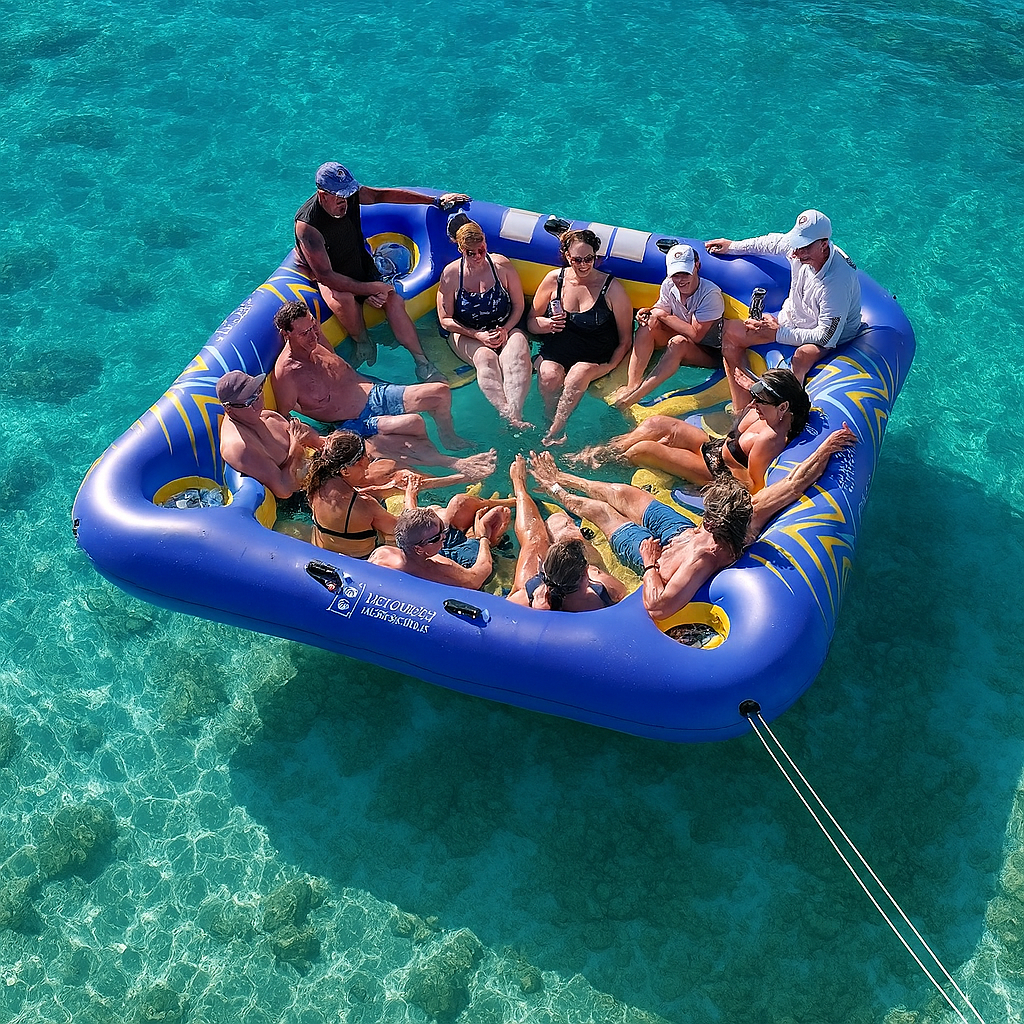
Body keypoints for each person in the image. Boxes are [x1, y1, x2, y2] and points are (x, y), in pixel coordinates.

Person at [529, 423, 857, 621]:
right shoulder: (746, 516)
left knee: (605, 513)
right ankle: (565, 477)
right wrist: (827, 447)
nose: (704, 512)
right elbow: (793, 484)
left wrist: (649, 565)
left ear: (714, 522)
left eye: (707, 512)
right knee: (624, 492)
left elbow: (658, 607)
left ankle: (556, 489)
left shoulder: (702, 560)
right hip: (679, 533)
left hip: (654, 556)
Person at [270, 300, 497, 482]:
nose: (313, 335)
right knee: (408, 428)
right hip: (353, 421)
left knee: (439, 392)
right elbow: (285, 418)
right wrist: (322, 441)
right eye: (304, 333)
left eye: (313, 326)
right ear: (286, 334)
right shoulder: (288, 374)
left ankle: (448, 437)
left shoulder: (316, 340)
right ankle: (454, 464)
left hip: (374, 393)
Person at [293, 161, 470, 381]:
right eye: (340, 198)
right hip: (332, 277)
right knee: (344, 298)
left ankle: (422, 362)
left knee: (393, 300)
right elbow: (325, 276)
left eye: (349, 195)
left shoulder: (350, 196)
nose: (346, 203)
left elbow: (380, 196)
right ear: (322, 195)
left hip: (359, 263)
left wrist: (434, 200)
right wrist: (370, 289)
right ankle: (363, 341)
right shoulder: (308, 226)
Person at [705, 209, 862, 409]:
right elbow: (770, 242)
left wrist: (778, 334)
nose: (795, 253)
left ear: (823, 245)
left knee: (800, 358)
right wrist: (732, 246)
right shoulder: (801, 246)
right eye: (796, 245)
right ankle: (741, 407)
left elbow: (826, 337)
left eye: (802, 248)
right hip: (791, 319)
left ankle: (790, 412)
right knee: (730, 333)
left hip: (829, 337)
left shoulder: (837, 283)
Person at [571, 367, 810, 493]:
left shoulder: (771, 438)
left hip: (717, 471)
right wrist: (752, 387)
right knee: (657, 423)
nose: (752, 404)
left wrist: (709, 488)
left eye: (759, 401)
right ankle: (603, 453)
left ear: (783, 407)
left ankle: (606, 464)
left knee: (643, 450)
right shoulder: (772, 412)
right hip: (715, 446)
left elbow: (753, 486)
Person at [306, 430, 512, 560]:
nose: (368, 464)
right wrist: (410, 496)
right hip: (369, 560)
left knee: (404, 484)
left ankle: (464, 477)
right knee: (458, 505)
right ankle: (489, 531)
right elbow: (409, 532)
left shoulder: (317, 485)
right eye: (363, 460)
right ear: (345, 470)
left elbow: (361, 497)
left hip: (333, 553)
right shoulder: (364, 505)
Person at [527, 228, 634, 447]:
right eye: (577, 259)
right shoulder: (554, 281)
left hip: (595, 355)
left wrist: (612, 364)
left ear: (596, 257)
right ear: (567, 256)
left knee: (578, 374)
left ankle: (557, 429)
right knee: (548, 376)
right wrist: (545, 324)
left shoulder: (611, 289)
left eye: (589, 259)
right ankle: (548, 418)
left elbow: (625, 338)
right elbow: (531, 321)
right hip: (558, 349)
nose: (583, 265)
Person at [436, 220, 534, 430]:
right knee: (486, 358)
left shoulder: (501, 266)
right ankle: (504, 412)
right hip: (467, 332)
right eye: (471, 253)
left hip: (504, 325)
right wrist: (476, 335)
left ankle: (515, 414)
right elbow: (445, 320)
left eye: (481, 250)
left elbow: (518, 305)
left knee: (517, 355)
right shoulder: (451, 274)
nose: (478, 256)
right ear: (461, 249)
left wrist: (506, 328)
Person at [609, 244, 725, 409]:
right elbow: (660, 309)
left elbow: (696, 335)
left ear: (697, 265)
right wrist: (648, 312)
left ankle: (634, 397)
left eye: (685, 273)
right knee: (649, 322)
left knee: (678, 342)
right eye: (676, 274)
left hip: (709, 351)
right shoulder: (669, 284)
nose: (680, 280)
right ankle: (633, 384)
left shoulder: (710, 294)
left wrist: (662, 315)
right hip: (683, 337)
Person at [506, 455, 627, 611]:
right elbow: (624, 594)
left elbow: (499, 613)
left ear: (543, 572)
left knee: (535, 540)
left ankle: (520, 487)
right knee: (574, 538)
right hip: (578, 584)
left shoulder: (527, 598)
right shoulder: (603, 592)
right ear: (585, 573)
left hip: (544, 591)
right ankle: (564, 534)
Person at [217, 370, 324, 498]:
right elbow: (284, 490)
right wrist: (296, 446)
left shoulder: (268, 417)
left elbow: (316, 440)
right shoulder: (240, 447)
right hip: (299, 500)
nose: (259, 403)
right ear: (228, 409)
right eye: (249, 402)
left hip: (314, 471)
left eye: (258, 391)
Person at [369, 503, 512, 590]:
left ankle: (471, 532)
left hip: (431, 553)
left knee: (459, 504)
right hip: (461, 564)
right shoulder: (440, 569)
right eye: (438, 536)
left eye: (443, 529)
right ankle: (485, 539)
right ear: (419, 549)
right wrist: (484, 538)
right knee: (474, 549)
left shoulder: (382, 554)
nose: (443, 536)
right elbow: (477, 578)